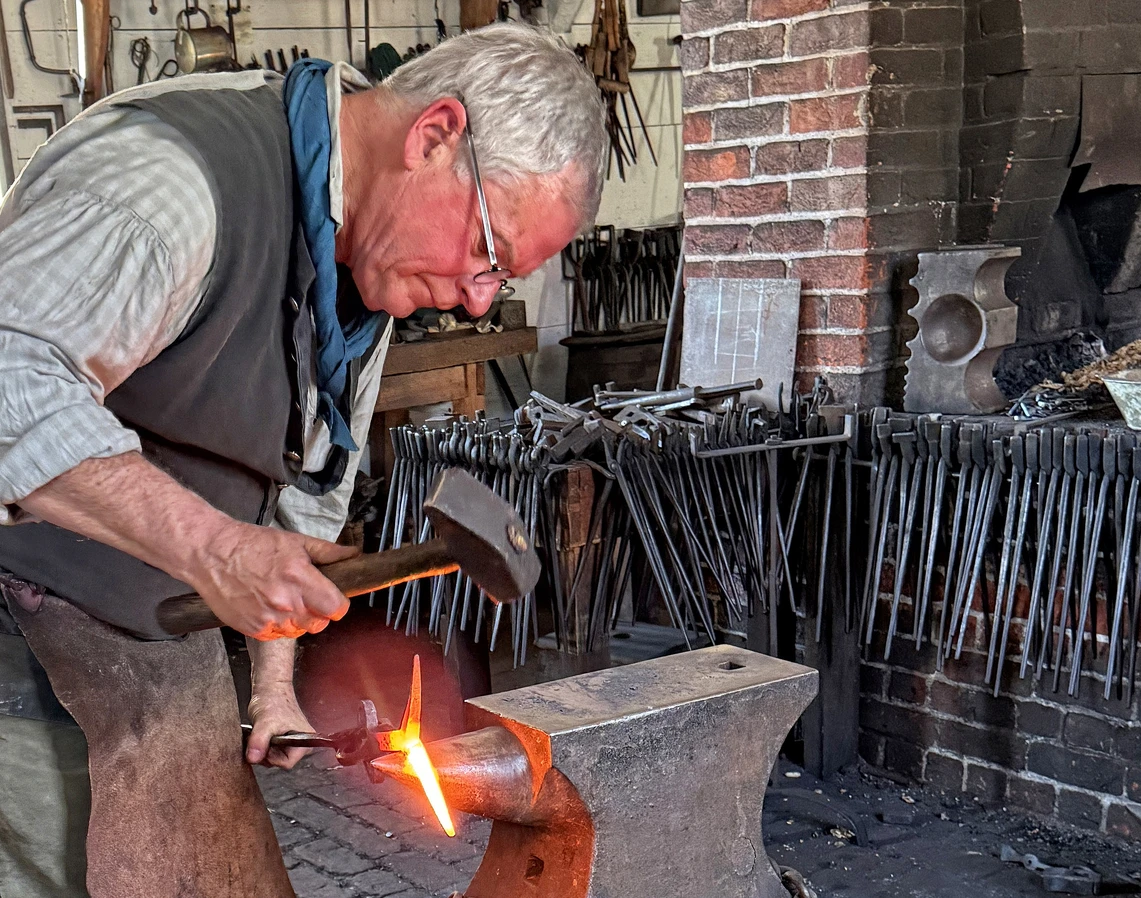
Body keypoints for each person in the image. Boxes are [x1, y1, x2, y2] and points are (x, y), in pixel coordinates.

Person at [0, 22, 605, 898]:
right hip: (22, 660)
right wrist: (217, 552)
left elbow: (301, 491)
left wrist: (273, 687)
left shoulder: (356, 276)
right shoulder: (172, 184)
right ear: (433, 138)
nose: (480, 301)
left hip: (161, 658)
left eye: (501, 282)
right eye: (489, 252)